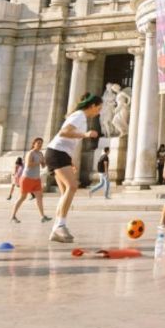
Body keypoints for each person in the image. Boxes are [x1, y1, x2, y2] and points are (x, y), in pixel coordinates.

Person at [45, 93, 102, 243]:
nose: (99, 112)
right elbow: (63, 133)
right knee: (72, 187)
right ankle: (59, 226)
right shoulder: (79, 116)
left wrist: (70, 161)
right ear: (92, 106)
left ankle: (57, 228)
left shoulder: (80, 117)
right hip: (56, 153)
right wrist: (85, 134)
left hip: (59, 154)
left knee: (65, 192)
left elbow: (67, 142)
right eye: (99, 108)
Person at [10, 138, 51, 223]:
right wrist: (39, 162)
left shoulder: (40, 154)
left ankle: (43, 216)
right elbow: (28, 164)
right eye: (38, 143)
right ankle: (13, 216)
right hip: (27, 178)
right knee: (22, 197)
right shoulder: (30, 153)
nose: (40, 145)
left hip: (36, 179)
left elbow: (43, 166)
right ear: (34, 144)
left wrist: (45, 162)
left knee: (39, 197)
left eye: (41, 143)